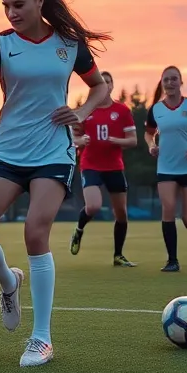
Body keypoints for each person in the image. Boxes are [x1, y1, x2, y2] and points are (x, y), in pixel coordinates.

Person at [0, 0, 109, 367]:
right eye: (6, 6)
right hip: (7, 152)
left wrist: (83, 110)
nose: (11, 12)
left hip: (52, 152)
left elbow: (100, 87)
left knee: (35, 231)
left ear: (40, 1)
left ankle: (41, 338)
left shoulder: (69, 43)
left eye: (19, 4)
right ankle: (10, 282)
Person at [144, 66, 187, 272]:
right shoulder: (156, 109)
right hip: (166, 167)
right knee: (168, 209)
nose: (170, 83)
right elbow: (149, 134)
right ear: (162, 83)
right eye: (166, 80)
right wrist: (152, 146)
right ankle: (172, 260)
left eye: (174, 79)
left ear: (181, 82)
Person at [69, 71, 138, 266]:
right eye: (101, 82)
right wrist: (80, 140)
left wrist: (116, 140)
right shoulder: (85, 110)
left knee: (121, 214)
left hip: (114, 166)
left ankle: (118, 255)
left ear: (112, 86)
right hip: (90, 165)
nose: (104, 85)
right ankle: (79, 230)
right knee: (93, 206)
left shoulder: (122, 111)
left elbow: (133, 140)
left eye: (108, 82)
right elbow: (72, 139)